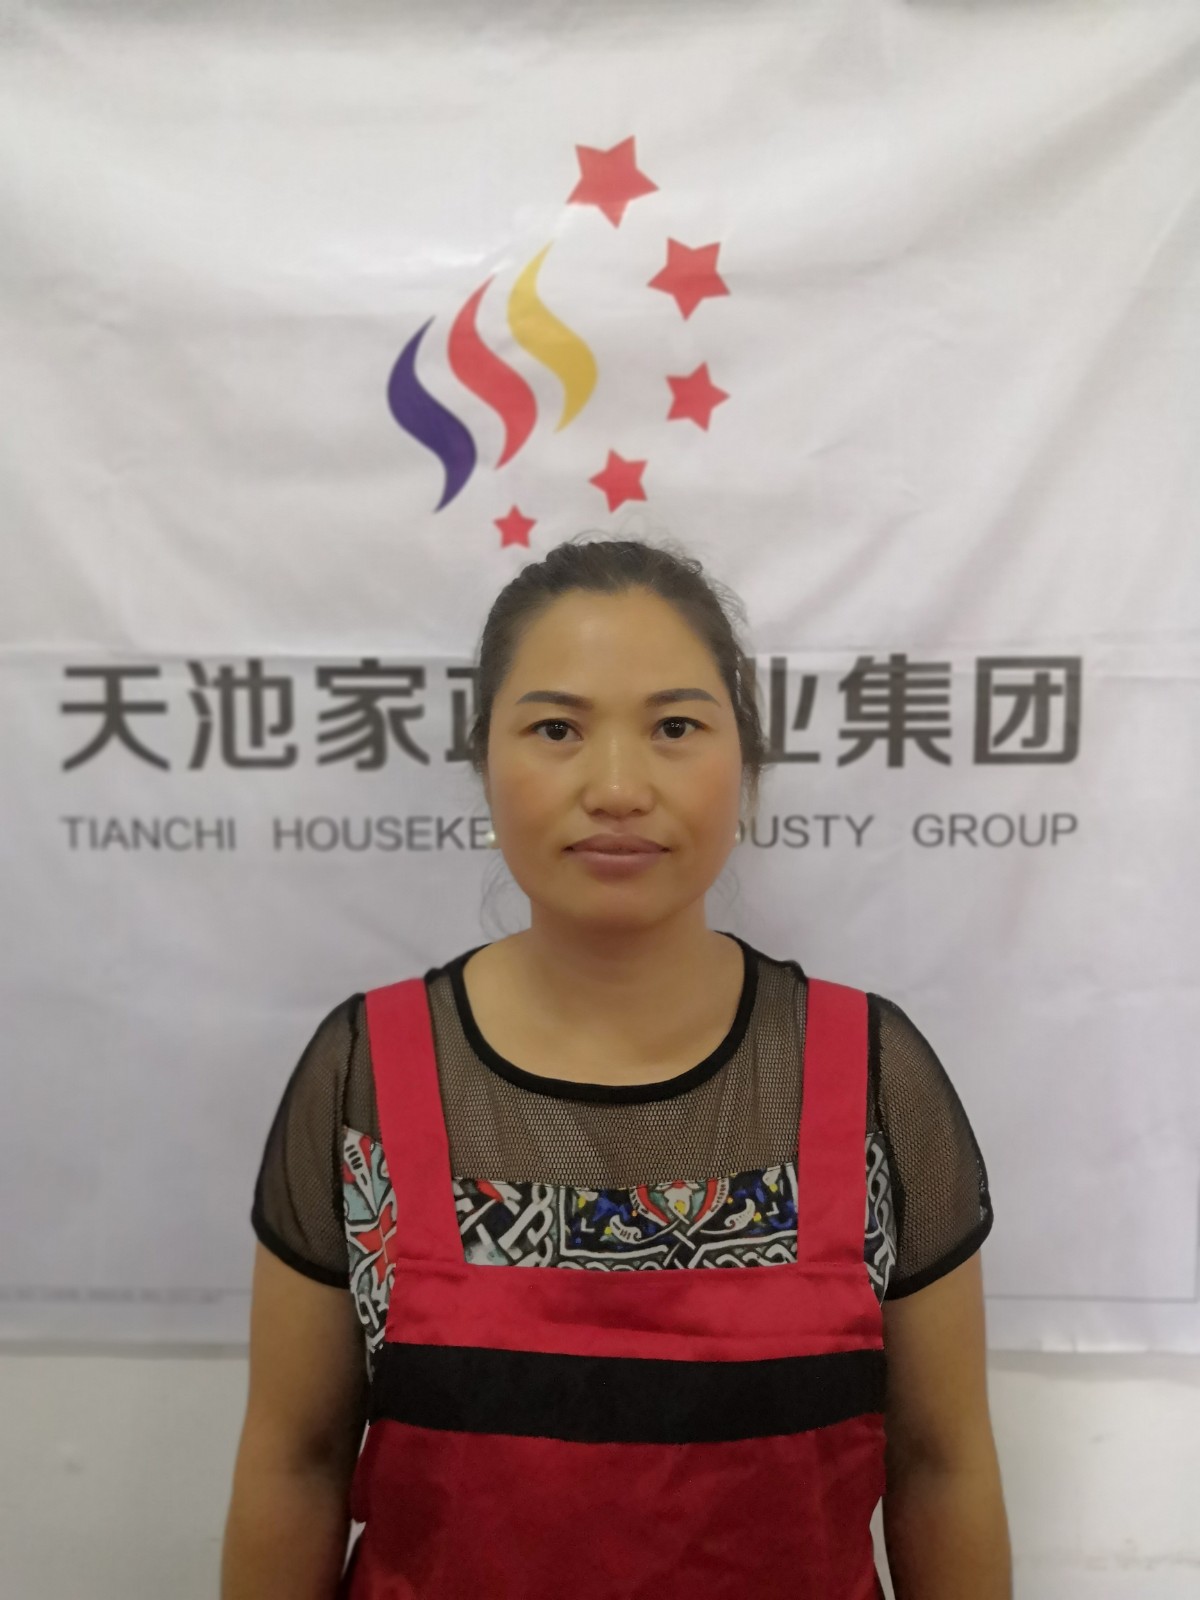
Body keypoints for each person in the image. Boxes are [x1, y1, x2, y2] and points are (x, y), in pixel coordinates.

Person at [221, 535, 1012, 1599]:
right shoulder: (365, 1074)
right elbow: (297, 1461)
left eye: (676, 727)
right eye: (556, 728)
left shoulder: (870, 1076)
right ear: (483, 760)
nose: (619, 786)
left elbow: (942, 1466)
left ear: (746, 761)